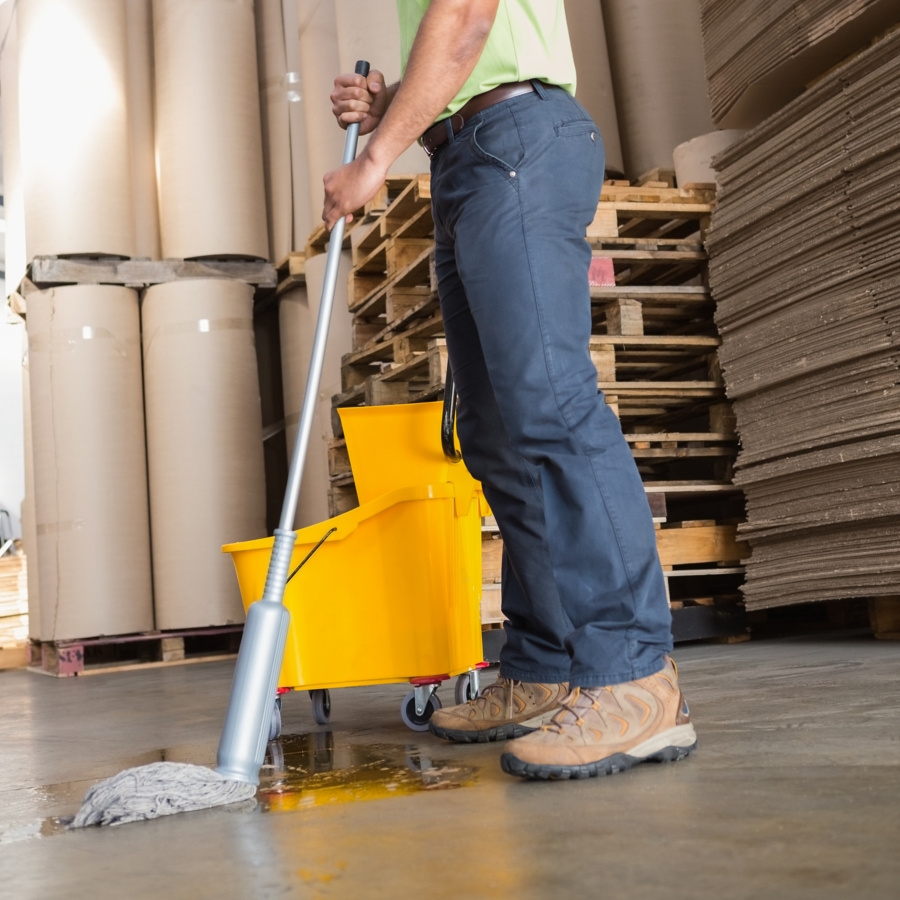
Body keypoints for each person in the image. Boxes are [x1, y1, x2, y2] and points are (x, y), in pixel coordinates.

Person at [324, 0, 696, 780]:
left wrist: (374, 156)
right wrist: (397, 108)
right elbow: (460, 65)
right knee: (497, 432)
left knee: (550, 406)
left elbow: (466, 18)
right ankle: (547, 662)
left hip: (519, 142)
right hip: (468, 157)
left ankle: (633, 677)